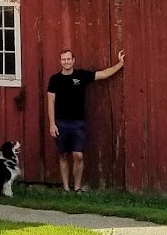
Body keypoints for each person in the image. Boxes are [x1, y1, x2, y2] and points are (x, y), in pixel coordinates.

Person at [45, 47, 124, 192]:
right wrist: (52, 124)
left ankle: (77, 188)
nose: (66, 62)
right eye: (63, 59)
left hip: (77, 123)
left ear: (73, 60)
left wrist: (120, 63)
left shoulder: (81, 75)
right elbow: (50, 102)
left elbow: (104, 74)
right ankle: (66, 188)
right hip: (60, 123)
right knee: (62, 155)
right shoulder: (55, 79)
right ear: (60, 61)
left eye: (69, 59)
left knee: (78, 155)